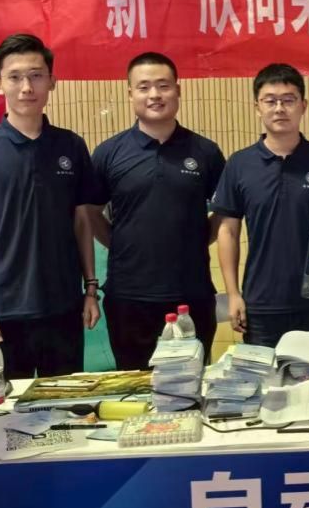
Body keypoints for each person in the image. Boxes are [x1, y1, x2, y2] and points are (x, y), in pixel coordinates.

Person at [0, 33, 100, 378]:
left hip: (63, 308)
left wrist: (90, 290)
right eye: (15, 77)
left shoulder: (71, 147)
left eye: (36, 75)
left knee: (64, 406)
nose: (26, 87)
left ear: (52, 82)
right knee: (4, 410)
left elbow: (82, 222)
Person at [89, 52, 225, 368]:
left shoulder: (205, 152)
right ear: (130, 94)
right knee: (135, 386)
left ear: (178, 90)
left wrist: (196, 240)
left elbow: (224, 213)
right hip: (129, 297)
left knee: (191, 384)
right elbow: (91, 214)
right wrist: (119, 243)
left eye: (163, 86)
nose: (154, 95)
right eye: (144, 87)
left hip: (192, 294)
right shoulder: (109, 153)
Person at [213, 64, 309, 347]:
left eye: (288, 100)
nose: (279, 109)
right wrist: (233, 294)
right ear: (257, 107)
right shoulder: (240, 164)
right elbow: (227, 231)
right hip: (260, 303)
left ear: (303, 106)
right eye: (270, 101)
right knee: (264, 376)